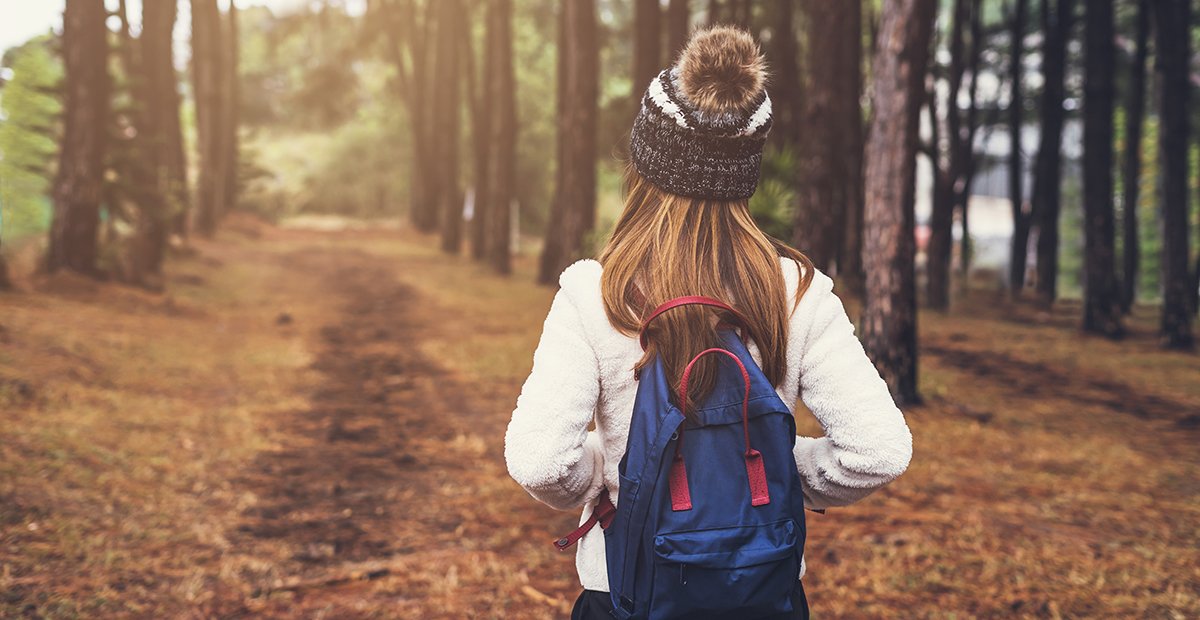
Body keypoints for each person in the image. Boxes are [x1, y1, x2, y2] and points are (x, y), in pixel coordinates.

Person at [505, 26, 912, 619]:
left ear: (644, 163)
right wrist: (772, 473)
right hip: (762, 595)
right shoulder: (797, 292)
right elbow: (879, 450)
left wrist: (610, 473)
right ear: (746, 170)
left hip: (626, 595)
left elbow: (540, 462)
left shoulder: (596, 293)